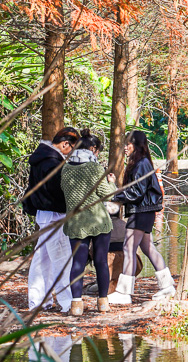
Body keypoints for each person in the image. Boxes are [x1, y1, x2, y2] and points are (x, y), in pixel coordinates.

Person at [108, 130, 173, 305]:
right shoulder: (141, 163)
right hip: (144, 211)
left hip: (141, 211)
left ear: (136, 146)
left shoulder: (141, 164)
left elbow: (136, 192)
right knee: (147, 247)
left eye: (127, 145)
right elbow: (136, 190)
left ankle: (124, 292)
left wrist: (115, 196)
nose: (125, 148)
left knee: (128, 249)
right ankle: (167, 285)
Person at [23, 127, 79, 312]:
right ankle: (66, 303)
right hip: (56, 215)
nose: (71, 153)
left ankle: (38, 301)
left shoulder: (40, 159)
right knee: (61, 259)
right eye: (71, 148)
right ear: (64, 144)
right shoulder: (53, 163)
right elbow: (59, 192)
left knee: (42, 259)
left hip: (44, 214)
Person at [61, 133, 116, 315]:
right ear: (93, 149)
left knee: (77, 263)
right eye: (98, 150)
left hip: (76, 222)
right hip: (98, 221)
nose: (98, 154)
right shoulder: (95, 168)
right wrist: (112, 183)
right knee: (101, 261)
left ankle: (76, 305)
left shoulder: (65, 168)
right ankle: (103, 303)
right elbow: (107, 194)